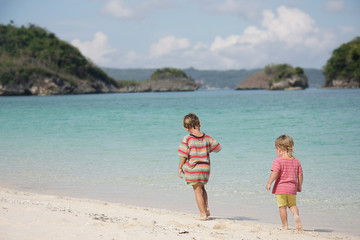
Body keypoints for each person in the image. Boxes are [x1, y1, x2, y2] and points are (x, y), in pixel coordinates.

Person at [178, 113, 221, 220]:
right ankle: (206, 209)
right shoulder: (207, 137)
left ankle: (203, 214)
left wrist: (180, 167)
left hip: (194, 168)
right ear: (199, 123)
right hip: (205, 168)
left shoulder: (187, 139)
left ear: (186, 128)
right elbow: (218, 148)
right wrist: (207, 149)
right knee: (202, 188)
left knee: (197, 191)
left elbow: (183, 154)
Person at [266, 134, 303, 231]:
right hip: (292, 189)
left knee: (282, 207)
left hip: (281, 188)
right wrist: (299, 186)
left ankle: (285, 225)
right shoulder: (296, 161)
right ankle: (296, 215)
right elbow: (300, 175)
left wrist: (269, 183)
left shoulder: (278, 160)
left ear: (278, 148)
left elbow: (275, 172)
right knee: (292, 205)